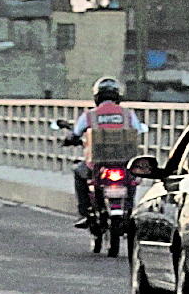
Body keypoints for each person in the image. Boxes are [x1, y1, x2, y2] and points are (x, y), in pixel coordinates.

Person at [63, 78, 148, 228]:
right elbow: (139, 129)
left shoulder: (90, 115)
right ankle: (129, 209)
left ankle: (84, 213)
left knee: (79, 173)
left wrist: (71, 138)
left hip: (97, 163)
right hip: (124, 161)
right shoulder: (128, 115)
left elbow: (75, 133)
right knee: (132, 180)